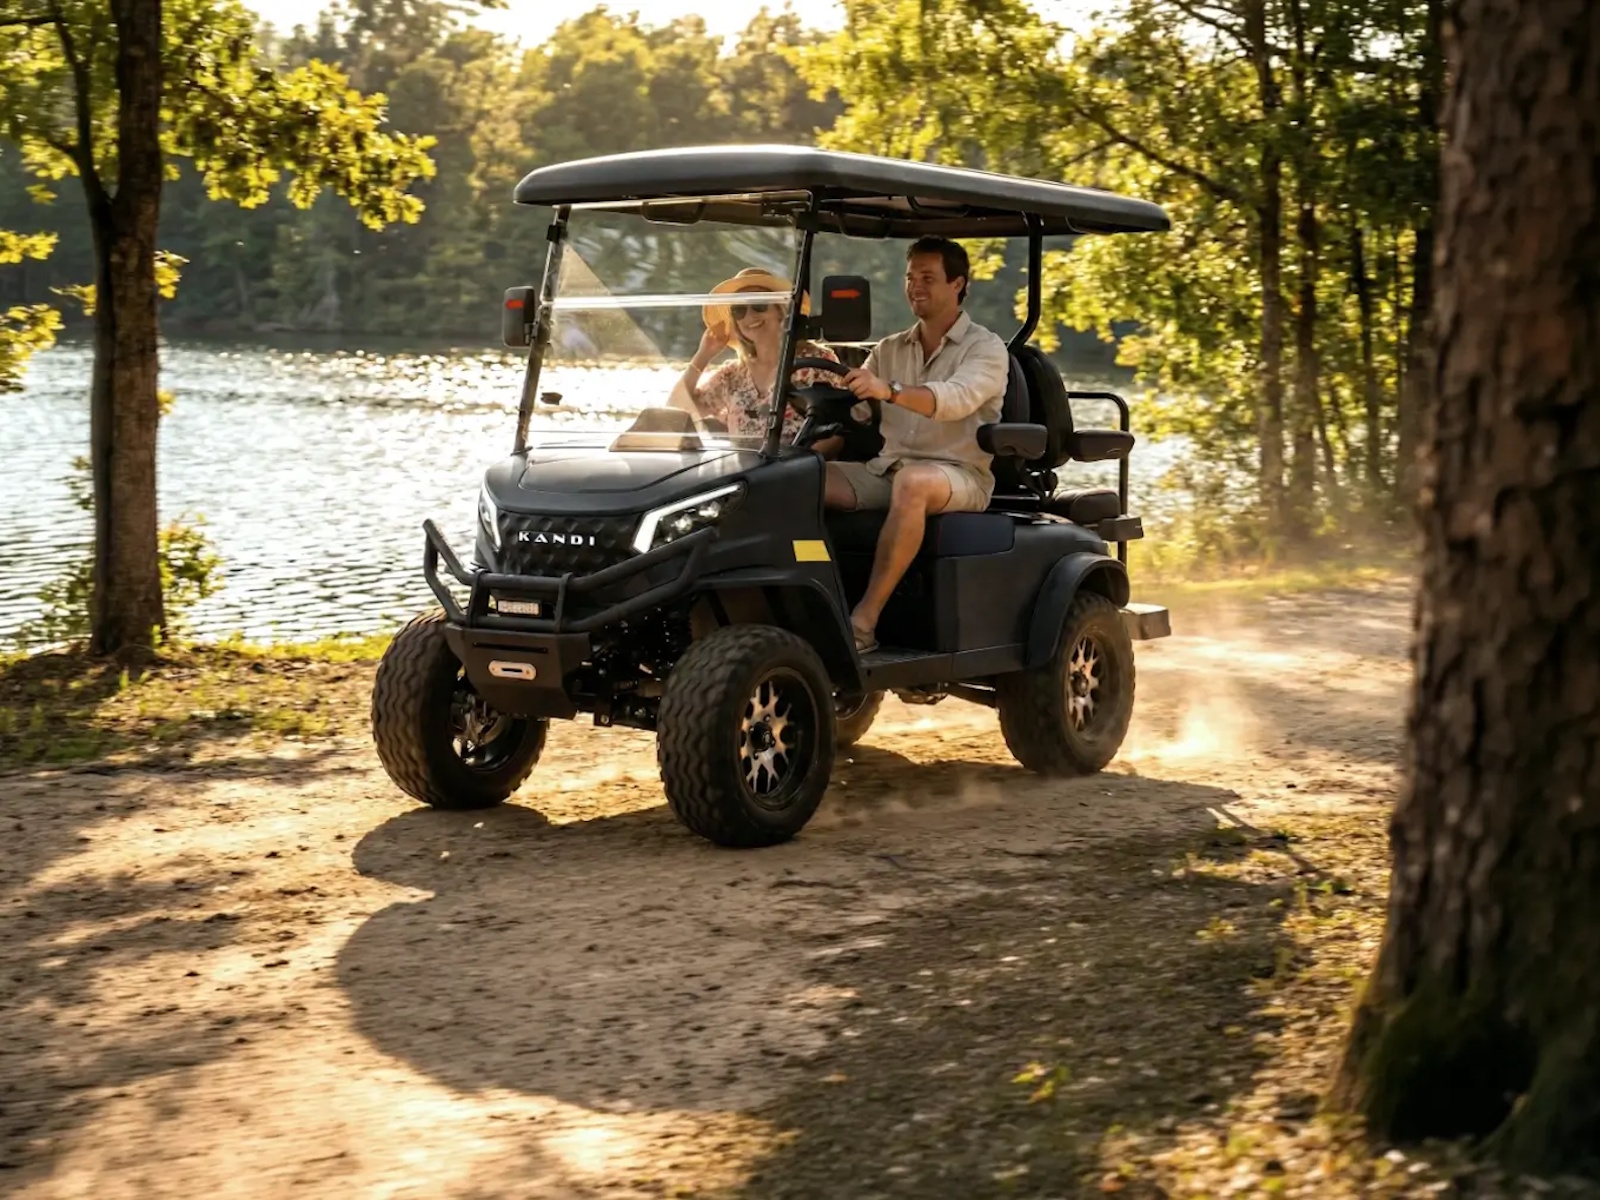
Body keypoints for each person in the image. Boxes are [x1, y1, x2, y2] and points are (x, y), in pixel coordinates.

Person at [825, 236, 1011, 653]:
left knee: (913, 483)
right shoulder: (889, 349)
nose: (915, 286)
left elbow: (953, 399)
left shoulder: (986, 348)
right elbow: (856, 412)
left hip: (960, 475)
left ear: (957, 284)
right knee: (801, 479)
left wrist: (889, 390)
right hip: (888, 469)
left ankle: (863, 623)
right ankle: (805, 604)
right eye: (910, 277)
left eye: (928, 277)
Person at [674, 267, 841, 444]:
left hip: (798, 461)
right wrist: (702, 356)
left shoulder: (815, 362)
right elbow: (677, 412)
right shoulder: (732, 374)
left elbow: (837, 432)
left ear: (780, 310)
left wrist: (803, 460)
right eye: (739, 310)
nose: (750, 315)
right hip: (742, 462)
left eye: (759, 304)